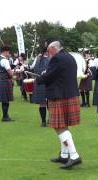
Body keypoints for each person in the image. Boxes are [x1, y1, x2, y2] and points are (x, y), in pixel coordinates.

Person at [36, 39, 82, 169]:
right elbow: (57, 74)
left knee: (58, 126)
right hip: (69, 94)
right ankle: (64, 155)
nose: (48, 53)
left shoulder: (57, 58)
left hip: (60, 95)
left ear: (53, 49)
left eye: (48, 50)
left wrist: (38, 79)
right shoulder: (69, 57)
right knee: (63, 125)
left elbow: (49, 76)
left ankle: (74, 155)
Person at [30, 48, 50, 127]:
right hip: (47, 82)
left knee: (42, 103)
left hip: (39, 82)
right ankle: (50, 119)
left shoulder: (37, 59)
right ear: (47, 52)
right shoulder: (50, 60)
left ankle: (43, 121)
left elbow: (32, 68)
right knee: (49, 102)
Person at [0, 45, 14, 122]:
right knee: (6, 100)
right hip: (5, 81)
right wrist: (14, 75)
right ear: (5, 52)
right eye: (8, 52)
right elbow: (10, 73)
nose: (9, 53)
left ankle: (5, 116)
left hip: (1, 80)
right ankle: (5, 117)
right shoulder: (5, 60)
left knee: (4, 100)